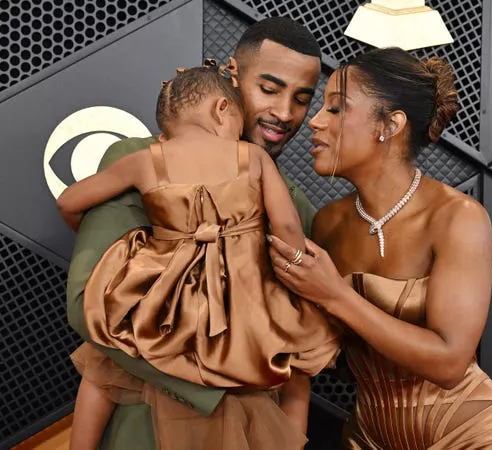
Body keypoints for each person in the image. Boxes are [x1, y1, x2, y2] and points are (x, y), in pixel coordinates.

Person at [65, 17, 328, 450]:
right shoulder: (139, 159)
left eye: (301, 99)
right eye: (269, 88)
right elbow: (85, 303)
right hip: (146, 430)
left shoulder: (296, 206)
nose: (284, 113)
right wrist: (227, 379)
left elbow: (298, 352)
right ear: (232, 76)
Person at [268, 47, 492, 449]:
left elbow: (449, 364)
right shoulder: (329, 223)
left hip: (472, 438)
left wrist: (336, 294)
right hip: (369, 438)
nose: (316, 122)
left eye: (337, 109)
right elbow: (327, 353)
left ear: (390, 124)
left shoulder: (458, 218)